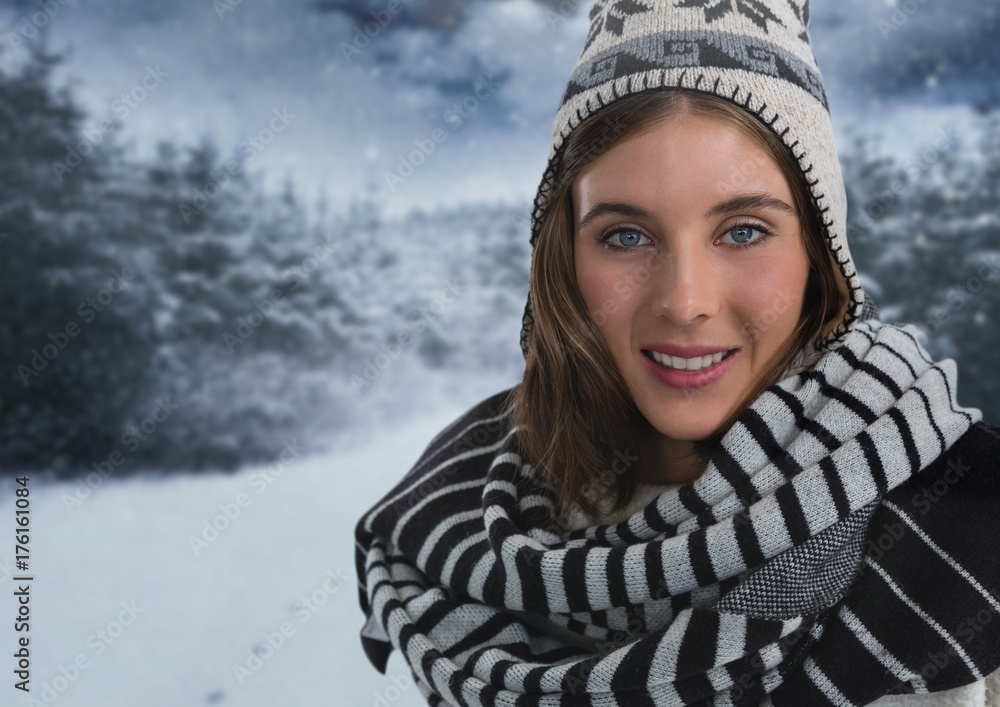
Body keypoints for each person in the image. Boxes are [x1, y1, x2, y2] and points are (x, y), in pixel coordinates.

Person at [354, 1, 1000, 704]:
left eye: (745, 230)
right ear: (564, 259)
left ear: (822, 254)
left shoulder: (969, 523)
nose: (684, 300)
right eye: (626, 235)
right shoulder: (447, 513)